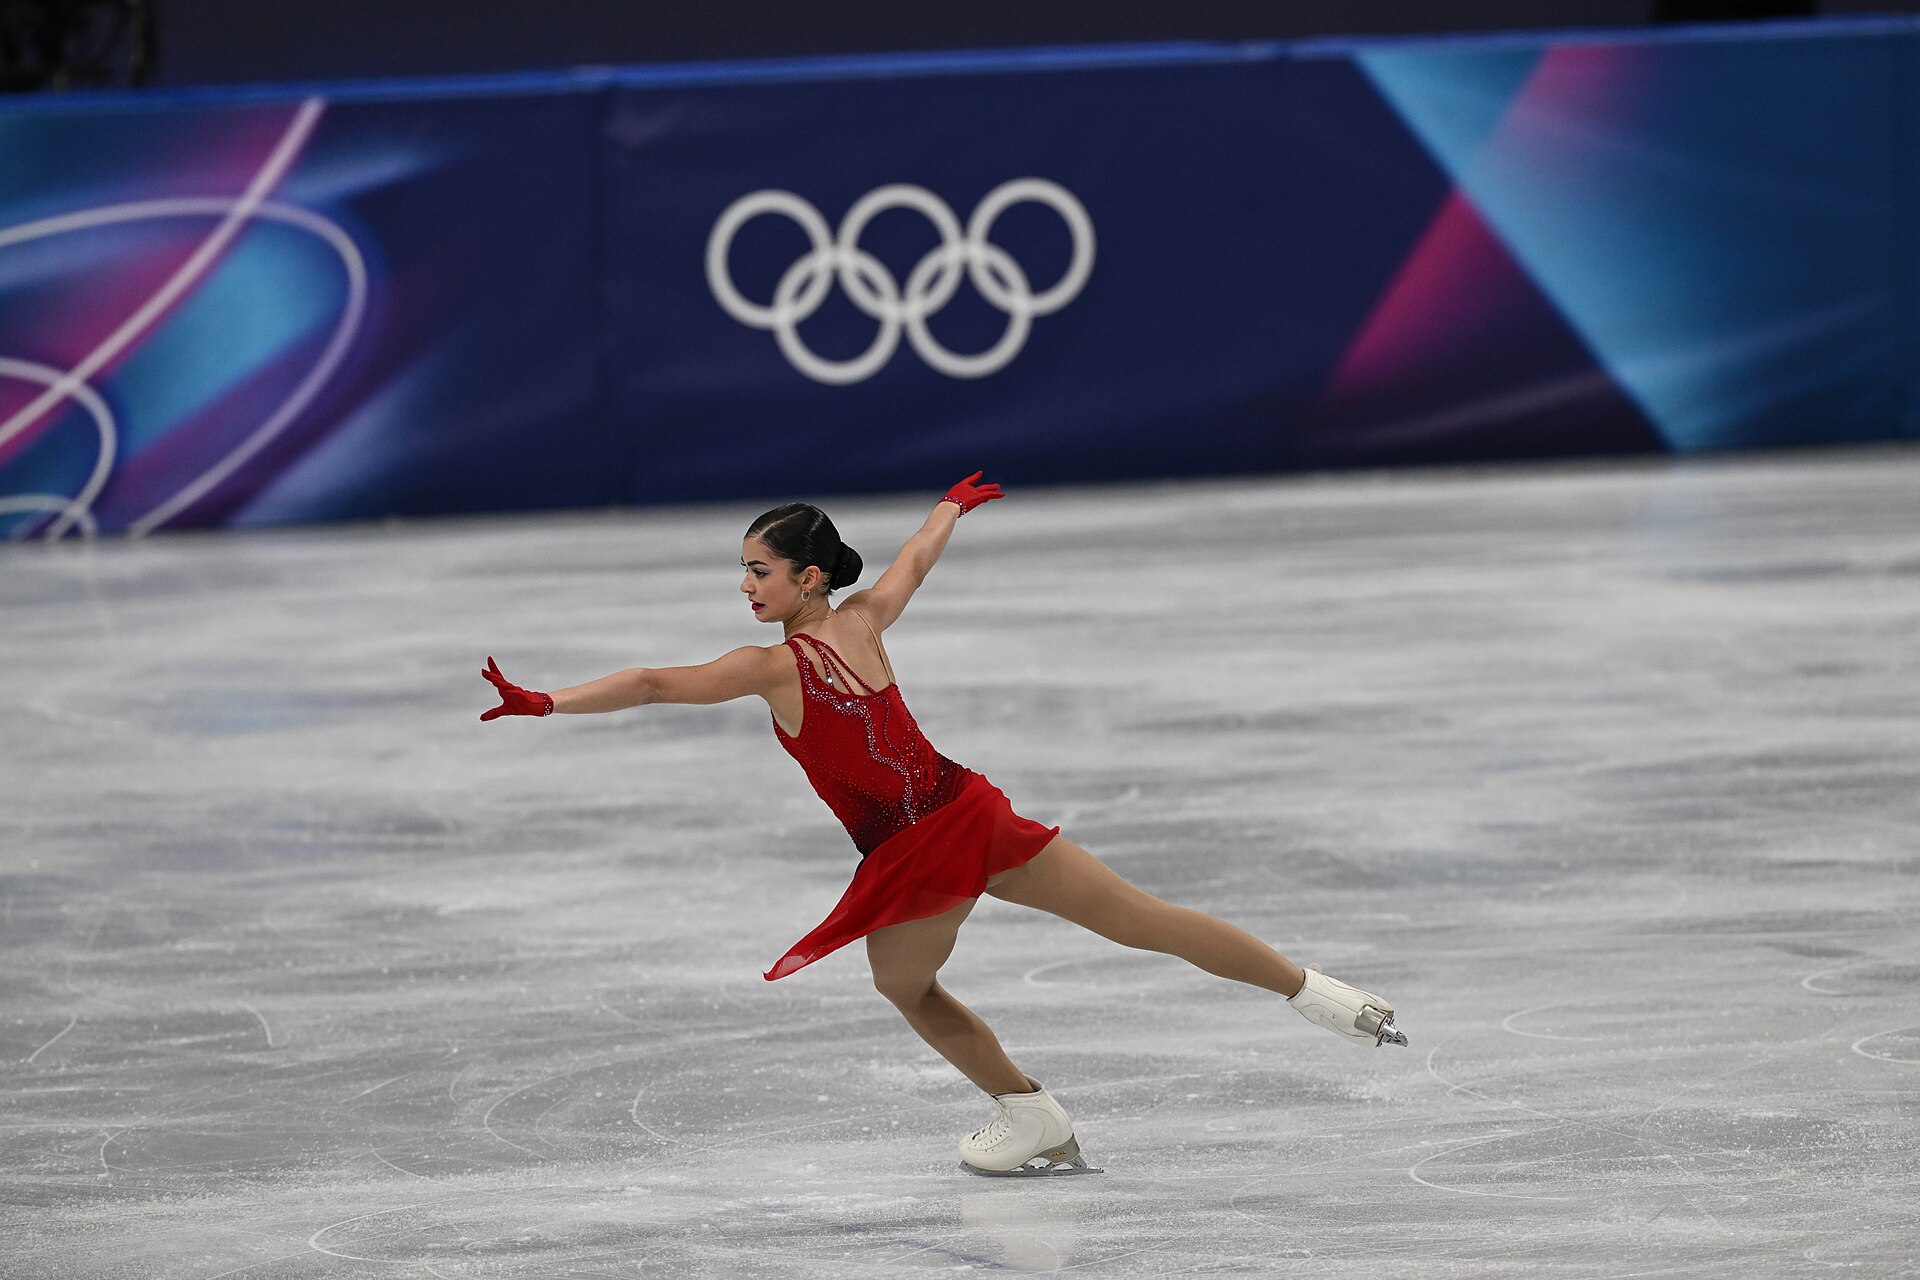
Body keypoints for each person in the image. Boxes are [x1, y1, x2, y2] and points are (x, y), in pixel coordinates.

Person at [480, 471, 1406, 1177]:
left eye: (757, 571)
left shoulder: (774, 665)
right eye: (741, 572)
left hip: (918, 853)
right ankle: (1326, 998)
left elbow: (649, 683)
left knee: (906, 987)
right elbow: (914, 558)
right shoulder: (866, 620)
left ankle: (1031, 1114)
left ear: (805, 577)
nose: (744, 585)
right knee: (1144, 919)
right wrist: (950, 508)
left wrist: (544, 703)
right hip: (972, 810)